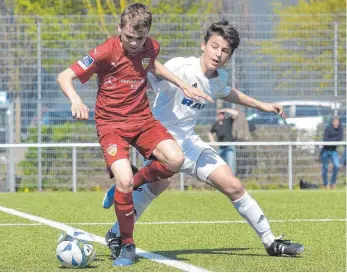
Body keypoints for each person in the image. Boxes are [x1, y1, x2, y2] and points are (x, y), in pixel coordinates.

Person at [102, 20, 304, 261]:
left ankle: (271, 242)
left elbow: (227, 91)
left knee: (233, 186)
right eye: (215, 46)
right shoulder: (181, 67)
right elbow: (148, 72)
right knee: (159, 185)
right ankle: (117, 230)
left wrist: (261, 105)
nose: (218, 54)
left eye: (225, 50)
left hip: (189, 142)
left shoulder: (218, 78)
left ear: (230, 55)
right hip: (160, 139)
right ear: (203, 45)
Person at [56, 3, 212, 267]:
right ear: (120, 29)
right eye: (129, 37)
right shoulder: (106, 51)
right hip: (111, 124)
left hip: (142, 120)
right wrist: (75, 101)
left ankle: (122, 186)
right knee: (125, 182)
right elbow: (64, 76)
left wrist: (184, 85)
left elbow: (153, 65)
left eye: (140, 38)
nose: (134, 43)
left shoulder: (150, 47)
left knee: (174, 161)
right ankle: (127, 244)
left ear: (147, 34)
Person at [208, 108, 238, 174]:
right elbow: (210, 132)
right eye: (219, 114)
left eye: (222, 114)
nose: (221, 115)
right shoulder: (216, 124)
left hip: (230, 147)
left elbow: (236, 113)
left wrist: (225, 110)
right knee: (220, 166)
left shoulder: (228, 121)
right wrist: (212, 142)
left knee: (231, 166)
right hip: (221, 148)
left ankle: (232, 182)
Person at [321, 116, 343, 189]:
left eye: (337, 122)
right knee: (325, 167)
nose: (336, 123)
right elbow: (325, 139)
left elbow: (339, 138)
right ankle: (325, 184)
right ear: (332, 122)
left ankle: (332, 183)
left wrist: (331, 141)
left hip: (334, 151)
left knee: (336, 166)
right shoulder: (328, 128)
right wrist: (333, 141)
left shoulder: (340, 129)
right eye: (335, 122)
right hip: (325, 150)